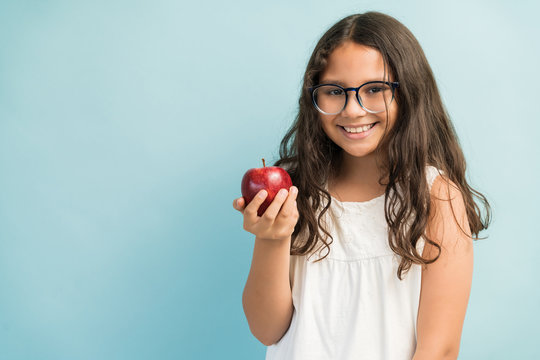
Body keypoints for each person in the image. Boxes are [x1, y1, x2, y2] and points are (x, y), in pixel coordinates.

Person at [233, 11, 491, 360]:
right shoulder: (297, 191)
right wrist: (271, 237)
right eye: (334, 91)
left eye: (374, 90)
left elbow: (440, 349)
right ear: (314, 97)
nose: (353, 110)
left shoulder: (436, 198)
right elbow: (267, 329)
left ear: (409, 93)